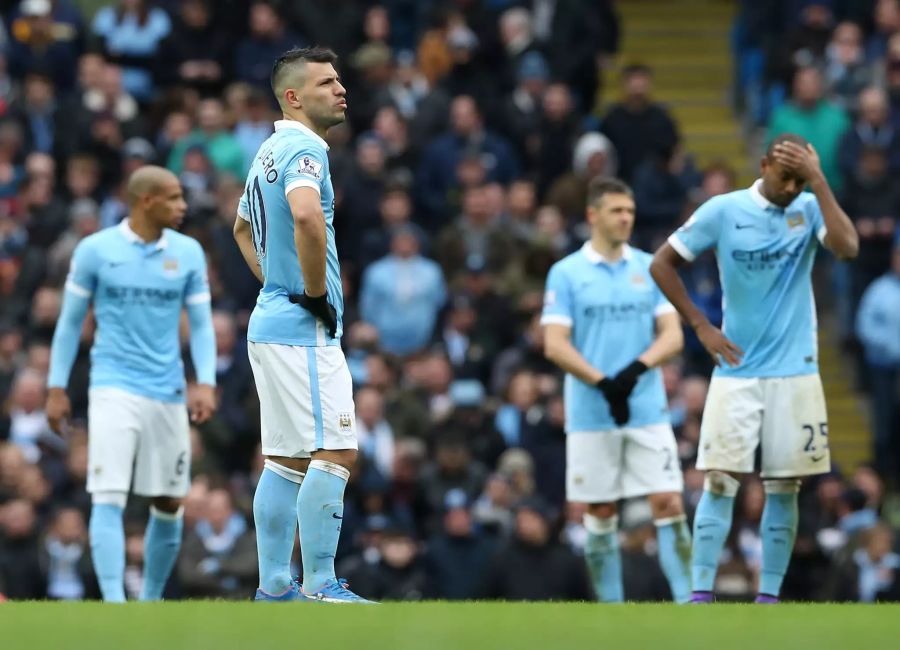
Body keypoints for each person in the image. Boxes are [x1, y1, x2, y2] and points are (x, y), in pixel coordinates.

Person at [650, 133, 859, 603]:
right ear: (763, 165)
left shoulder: (808, 209)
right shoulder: (723, 211)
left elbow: (847, 247)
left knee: (784, 487)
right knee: (721, 480)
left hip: (797, 372)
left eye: (798, 180)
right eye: (785, 177)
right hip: (737, 370)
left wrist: (818, 180)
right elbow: (662, 264)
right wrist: (701, 325)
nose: (790, 188)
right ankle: (699, 594)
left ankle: (769, 598)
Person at [232, 47, 372, 604]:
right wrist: (313, 295)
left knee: (286, 459)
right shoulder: (305, 147)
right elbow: (309, 216)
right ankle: (320, 585)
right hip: (301, 328)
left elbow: (242, 228)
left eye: (339, 80)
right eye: (326, 82)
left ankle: (272, 588)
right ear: (293, 97)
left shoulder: (266, 150)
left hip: (270, 321)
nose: (341, 89)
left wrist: (275, 283)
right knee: (336, 451)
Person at [45, 165, 217, 602]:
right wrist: (56, 387)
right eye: (175, 198)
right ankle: (114, 604)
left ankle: (150, 603)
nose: (183, 206)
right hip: (112, 386)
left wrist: (207, 382)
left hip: (168, 388)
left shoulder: (189, 252)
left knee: (168, 501)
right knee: (108, 493)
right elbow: (68, 324)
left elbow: (200, 325)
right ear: (146, 201)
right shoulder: (95, 250)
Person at [541, 177, 692, 603]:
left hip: (647, 407)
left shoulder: (648, 266)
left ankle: (690, 605)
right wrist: (603, 383)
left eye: (629, 210)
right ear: (593, 215)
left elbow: (672, 336)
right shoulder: (567, 272)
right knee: (601, 511)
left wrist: (631, 373)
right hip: (591, 411)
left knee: (668, 502)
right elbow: (554, 343)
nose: (626, 217)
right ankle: (611, 610)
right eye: (616, 210)